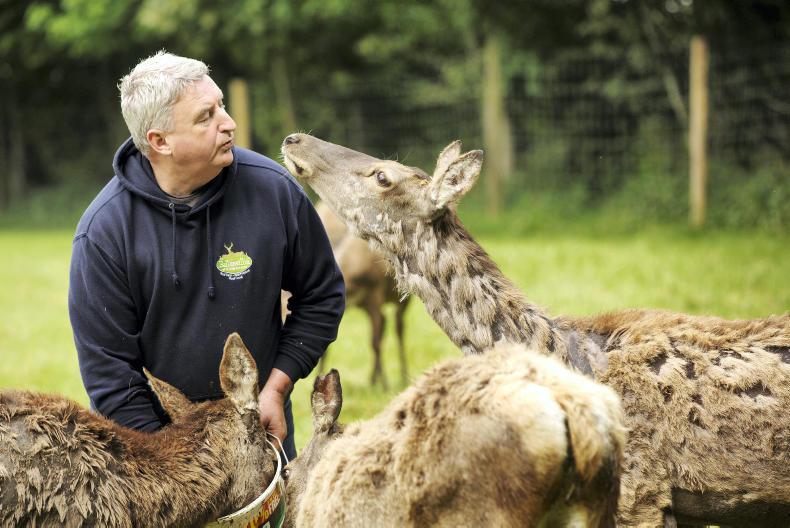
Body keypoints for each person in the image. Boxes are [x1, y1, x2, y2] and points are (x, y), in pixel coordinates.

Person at [68, 51, 344, 460]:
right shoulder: (104, 233)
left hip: (260, 430)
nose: (228, 123)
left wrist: (276, 388)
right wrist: (179, 465)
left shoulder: (274, 191)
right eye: (205, 117)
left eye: (222, 106)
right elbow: (110, 375)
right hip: (151, 455)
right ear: (159, 142)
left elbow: (323, 296)